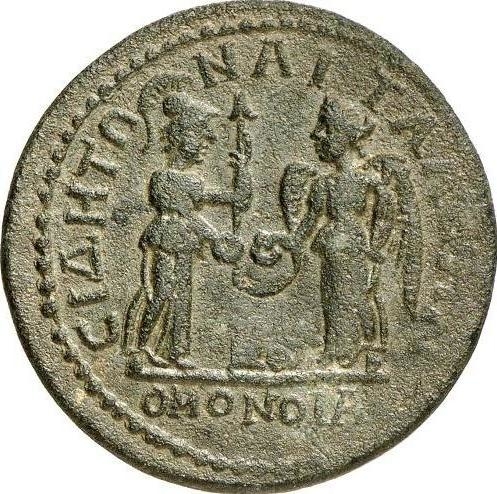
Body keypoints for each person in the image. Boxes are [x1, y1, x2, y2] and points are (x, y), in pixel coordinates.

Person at [128, 89, 246, 368]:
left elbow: (237, 198)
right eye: (201, 134)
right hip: (166, 239)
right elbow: (187, 214)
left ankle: (177, 351)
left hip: (183, 242)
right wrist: (215, 237)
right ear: (180, 137)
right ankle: (141, 348)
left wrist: (243, 170)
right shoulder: (163, 178)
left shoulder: (192, 181)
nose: (208, 141)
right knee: (162, 292)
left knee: (182, 297)